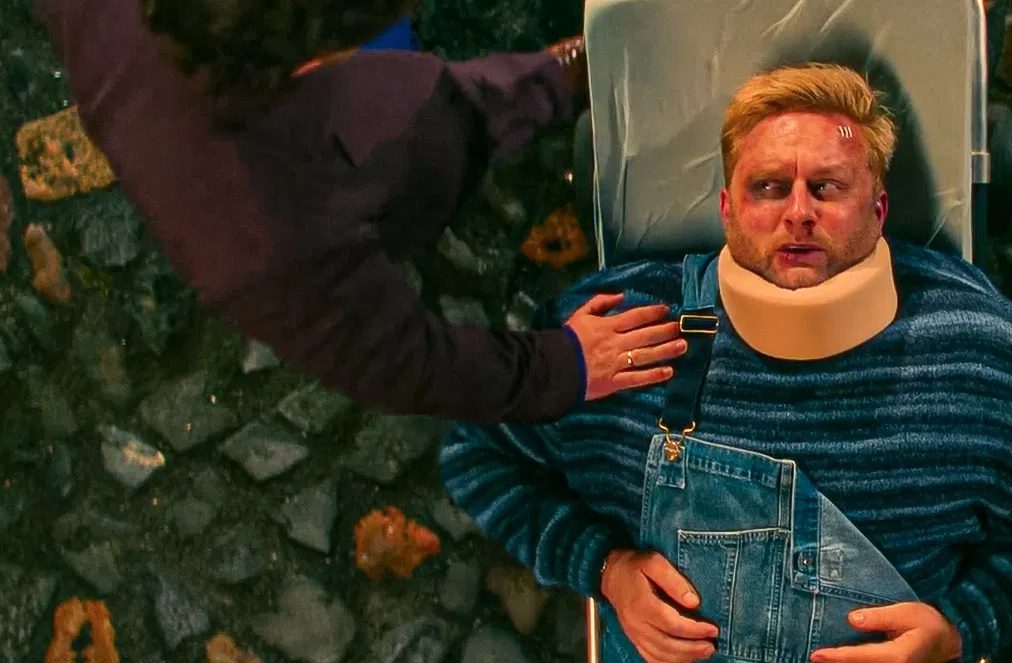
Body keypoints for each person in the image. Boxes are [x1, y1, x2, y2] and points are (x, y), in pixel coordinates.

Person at [439, 63, 1012, 663]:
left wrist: (954, 632)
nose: (798, 213)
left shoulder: (992, 360)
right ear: (727, 208)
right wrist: (606, 568)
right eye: (768, 187)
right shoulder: (622, 332)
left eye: (827, 187)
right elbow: (477, 451)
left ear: (879, 207)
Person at [34, 0, 683, 423]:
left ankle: (547, 80)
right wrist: (562, 366)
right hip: (372, 167)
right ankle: (516, 98)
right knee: (437, 132)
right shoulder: (271, 246)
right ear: (321, 58)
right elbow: (411, 365)